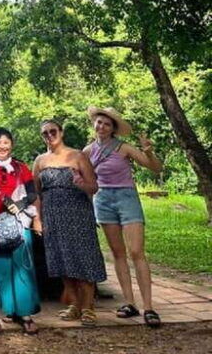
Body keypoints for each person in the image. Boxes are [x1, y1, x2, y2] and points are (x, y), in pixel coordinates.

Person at [83, 106, 163, 327]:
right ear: (94, 124)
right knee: (118, 253)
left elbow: (156, 168)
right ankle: (130, 303)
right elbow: (87, 181)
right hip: (103, 200)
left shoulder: (124, 147)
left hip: (127, 198)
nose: (102, 127)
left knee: (136, 251)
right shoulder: (88, 151)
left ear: (113, 129)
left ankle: (149, 307)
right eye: (99, 122)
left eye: (107, 124)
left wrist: (148, 152)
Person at [33, 119, 106, 327]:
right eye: (45, 133)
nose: (49, 136)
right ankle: (74, 304)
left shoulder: (78, 156)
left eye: (53, 131)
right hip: (53, 215)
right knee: (61, 259)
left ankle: (88, 306)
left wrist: (82, 184)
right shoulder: (40, 161)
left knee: (84, 257)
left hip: (78, 213)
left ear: (61, 132)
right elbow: (36, 193)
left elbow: (94, 187)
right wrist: (37, 219)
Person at [0, 128, 40, 335]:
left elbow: (32, 193)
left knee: (22, 268)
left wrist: (19, 204)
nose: (2, 146)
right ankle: (8, 310)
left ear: (12, 144)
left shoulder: (21, 167)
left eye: (6, 142)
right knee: (1, 269)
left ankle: (25, 313)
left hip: (18, 222)